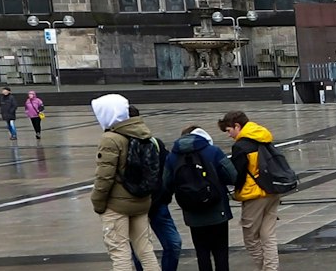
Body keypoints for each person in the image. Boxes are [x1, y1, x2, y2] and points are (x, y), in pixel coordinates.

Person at [90, 94, 161, 271]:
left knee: (119, 252)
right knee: (145, 250)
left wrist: (98, 202)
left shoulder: (111, 139)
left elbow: (104, 177)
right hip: (141, 201)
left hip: (116, 205)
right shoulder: (142, 133)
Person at [163, 125, 238, 271]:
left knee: (202, 252)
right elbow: (232, 176)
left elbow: (165, 184)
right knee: (221, 252)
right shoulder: (213, 151)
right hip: (217, 210)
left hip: (192, 212)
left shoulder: (173, 156)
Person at [219, 110, 282, 271]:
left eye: (229, 130)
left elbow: (238, 175)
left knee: (251, 238)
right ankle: (271, 268)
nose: (229, 135)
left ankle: (263, 268)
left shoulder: (241, 146)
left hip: (254, 195)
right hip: (273, 190)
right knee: (268, 236)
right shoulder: (264, 137)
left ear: (237, 126)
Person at [124, 105, 182, 271]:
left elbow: (168, 171)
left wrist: (164, 195)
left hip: (157, 204)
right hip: (133, 206)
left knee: (174, 243)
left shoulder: (154, 143)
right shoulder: (119, 145)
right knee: (138, 247)